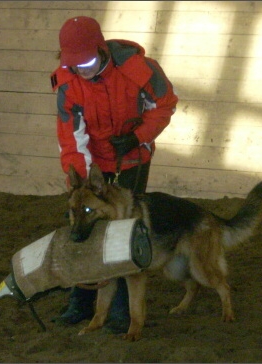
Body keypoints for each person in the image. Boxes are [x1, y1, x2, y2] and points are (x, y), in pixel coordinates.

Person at [50, 16, 178, 334]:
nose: (83, 71)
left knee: (123, 234)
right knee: (85, 231)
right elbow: (71, 138)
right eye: (75, 65)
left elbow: (165, 104)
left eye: (89, 62)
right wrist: (78, 184)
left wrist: (138, 136)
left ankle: (120, 306)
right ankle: (80, 302)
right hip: (93, 164)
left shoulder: (140, 69)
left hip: (132, 160)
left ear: (102, 49)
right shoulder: (67, 84)